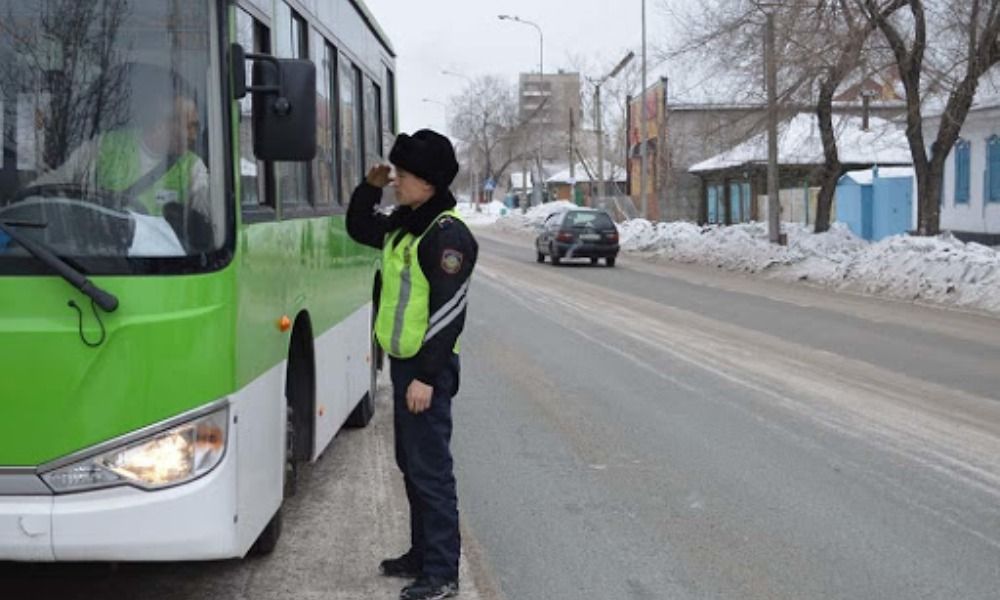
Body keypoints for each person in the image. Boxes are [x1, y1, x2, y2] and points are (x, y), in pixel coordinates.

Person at [346, 129, 477, 600]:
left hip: (427, 371)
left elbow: (448, 315)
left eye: (402, 174)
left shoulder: (446, 235)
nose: (396, 181)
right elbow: (359, 227)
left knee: (432, 471)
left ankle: (442, 573)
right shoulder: (407, 224)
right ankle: (422, 556)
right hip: (405, 366)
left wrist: (425, 376)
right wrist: (369, 188)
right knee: (412, 464)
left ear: (428, 181)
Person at [33, 76, 212, 251]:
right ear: (162, 123)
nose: (194, 135)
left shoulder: (192, 167)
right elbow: (53, 182)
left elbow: (210, 213)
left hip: (163, 263)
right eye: (188, 126)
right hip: (100, 256)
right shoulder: (105, 147)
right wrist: (25, 202)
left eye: (195, 127)